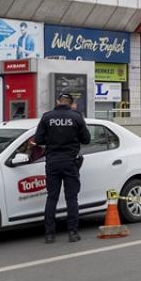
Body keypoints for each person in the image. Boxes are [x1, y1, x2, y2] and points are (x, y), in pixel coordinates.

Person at [36, 92, 90, 243]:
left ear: (57, 101)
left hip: (52, 162)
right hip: (70, 162)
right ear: (71, 104)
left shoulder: (47, 117)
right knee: (71, 198)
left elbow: (38, 139)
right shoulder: (76, 117)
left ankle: (49, 235)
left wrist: (51, 140)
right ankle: (73, 233)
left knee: (51, 198)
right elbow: (86, 139)